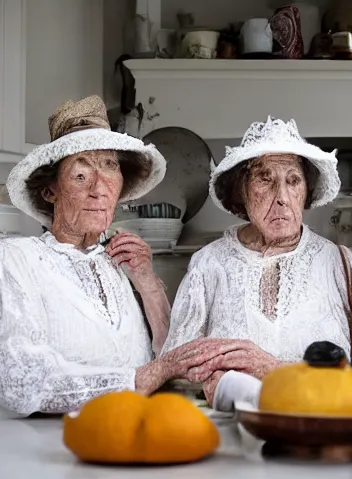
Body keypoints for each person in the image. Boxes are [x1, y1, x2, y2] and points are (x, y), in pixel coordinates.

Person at [0, 95, 236, 416]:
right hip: (52, 451)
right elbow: (20, 380)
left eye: (110, 167)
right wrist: (140, 378)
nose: (99, 189)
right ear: (50, 191)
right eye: (81, 175)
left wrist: (148, 283)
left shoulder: (117, 262)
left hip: (130, 441)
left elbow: (169, 358)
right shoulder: (17, 259)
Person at [162, 116, 352, 411]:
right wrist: (207, 378)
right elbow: (174, 366)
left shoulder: (338, 263)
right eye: (265, 179)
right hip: (234, 438)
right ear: (242, 192)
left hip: (323, 426)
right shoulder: (209, 264)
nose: (282, 198)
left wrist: (270, 367)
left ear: (306, 192)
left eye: (293, 181)